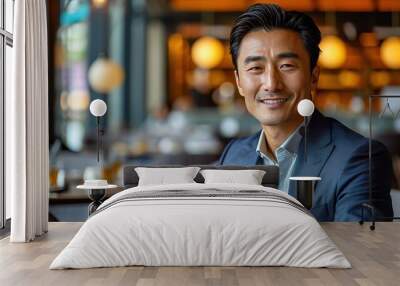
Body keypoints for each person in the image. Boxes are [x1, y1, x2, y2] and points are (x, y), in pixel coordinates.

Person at [218, 3, 393, 221]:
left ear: (313, 76)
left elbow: (361, 251)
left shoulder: (359, 159)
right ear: (238, 82)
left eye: (287, 66)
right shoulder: (233, 155)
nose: (271, 84)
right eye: (255, 68)